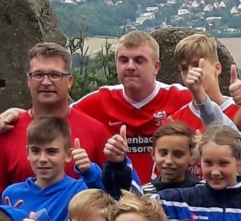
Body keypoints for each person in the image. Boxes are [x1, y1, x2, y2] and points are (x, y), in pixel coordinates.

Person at [0, 43, 110, 205]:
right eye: (38, 74)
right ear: (28, 80)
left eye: (55, 75)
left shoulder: (95, 131)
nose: (45, 82)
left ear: (69, 81)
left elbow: (111, 191)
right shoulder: (7, 130)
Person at [70, 31, 199, 186]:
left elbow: (219, 114)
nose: (130, 67)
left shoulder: (182, 98)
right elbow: (60, 117)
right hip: (116, 194)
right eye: (124, 60)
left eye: (139, 60)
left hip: (171, 193)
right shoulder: (97, 101)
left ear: (156, 67)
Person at [0, 116, 107, 221]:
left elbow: (110, 196)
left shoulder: (79, 190)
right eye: (35, 151)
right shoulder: (12, 194)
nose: (42, 159)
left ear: (68, 155)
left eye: (51, 151)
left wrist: (90, 171)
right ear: (27, 153)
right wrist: (10, 220)